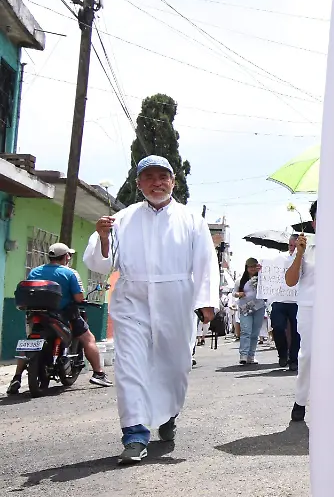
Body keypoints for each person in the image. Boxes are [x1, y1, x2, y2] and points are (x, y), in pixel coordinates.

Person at [83, 155, 218, 465]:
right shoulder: (122, 218)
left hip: (177, 299)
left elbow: (206, 263)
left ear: (173, 181)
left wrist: (206, 301)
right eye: (149, 177)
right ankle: (134, 434)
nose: (156, 183)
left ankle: (168, 413)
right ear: (139, 184)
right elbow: (102, 263)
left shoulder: (191, 220)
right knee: (130, 366)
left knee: (175, 365)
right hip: (133, 299)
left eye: (163, 176)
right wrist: (103, 238)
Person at [8, 242, 113, 395]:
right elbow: (78, 297)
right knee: (88, 338)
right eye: (69, 255)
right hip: (63, 314)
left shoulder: (35, 271)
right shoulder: (70, 273)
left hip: (35, 314)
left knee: (29, 341)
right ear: (66, 257)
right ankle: (99, 374)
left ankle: (16, 377)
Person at [285, 201, 317, 423]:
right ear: (314, 222)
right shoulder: (305, 247)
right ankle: (301, 399)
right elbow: (290, 280)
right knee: (308, 356)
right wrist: (299, 254)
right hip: (310, 307)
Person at [271, 234, 302, 370]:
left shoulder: (304, 259)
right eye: (291, 245)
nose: (293, 248)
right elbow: (269, 271)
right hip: (279, 300)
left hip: (296, 300)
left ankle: (294, 359)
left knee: (297, 331)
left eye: (296, 246)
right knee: (277, 327)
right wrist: (262, 270)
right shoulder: (279, 259)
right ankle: (283, 353)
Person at [233, 258, 266, 366]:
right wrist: (239, 294)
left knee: (255, 332)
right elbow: (234, 293)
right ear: (246, 268)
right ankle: (243, 354)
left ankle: (251, 355)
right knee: (246, 331)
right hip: (245, 308)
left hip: (259, 307)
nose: (252, 269)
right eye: (250, 267)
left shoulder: (262, 279)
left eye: (254, 267)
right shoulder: (240, 280)